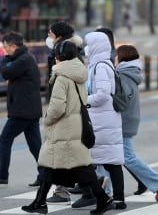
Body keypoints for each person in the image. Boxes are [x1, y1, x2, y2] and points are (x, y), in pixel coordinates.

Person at [21, 40, 114, 215]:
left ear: (60, 57)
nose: (54, 59)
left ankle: (103, 199)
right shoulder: (77, 73)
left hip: (63, 129)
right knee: (53, 166)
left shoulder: (62, 77)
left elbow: (57, 107)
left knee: (81, 168)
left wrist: (47, 119)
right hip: (74, 126)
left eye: (56, 55)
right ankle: (39, 202)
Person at [0, 32, 43, 187]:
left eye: (6, 47)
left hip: (23, 110)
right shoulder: (25, 58)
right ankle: (44, 174)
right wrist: (8, 61)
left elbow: (5, 71)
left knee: (5, 139)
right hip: (29, 109)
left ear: (14, 46)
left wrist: (6, 61)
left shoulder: (23, 59)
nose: (5, 51)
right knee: (35, 144)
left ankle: (2, 175)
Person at [116, 44, 158, 201]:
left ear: (122, 58)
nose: (115, 59)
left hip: (123, 121)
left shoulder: (123, 74)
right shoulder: (130, 72)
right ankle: (104, 190)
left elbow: (122, 101)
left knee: (127, 157)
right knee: (109, 156)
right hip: (128, 120)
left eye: (117, 56)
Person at [84, 31, 126, 210]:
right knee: (111, 162)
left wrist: (84, 100)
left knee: (88, 162)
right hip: (106, 119)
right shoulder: (104, 64)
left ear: (95, 46)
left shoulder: (100, 66)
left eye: (88, 44)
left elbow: (102, 94)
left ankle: (99, 196)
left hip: (102, 120)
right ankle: (117, 199)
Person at [45, 21, 83, 204]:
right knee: (71, 152)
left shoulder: (62, 62)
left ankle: (62, 191)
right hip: (75, 111)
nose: (49, 38)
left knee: (60, 152)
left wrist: (50, 116)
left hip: (65, 112)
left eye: (50, 34)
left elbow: (59, 95)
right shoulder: (75, 52)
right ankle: (93, 185)